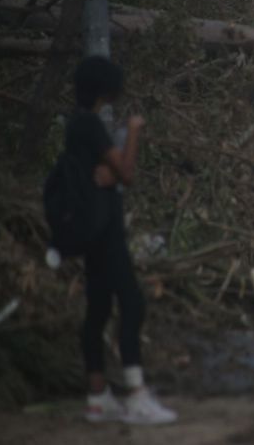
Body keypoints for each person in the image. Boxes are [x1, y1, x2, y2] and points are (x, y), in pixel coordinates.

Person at [67, 56, 177, 425]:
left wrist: (109, 175)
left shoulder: (75, 125)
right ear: (106, 89)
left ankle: (98, 397)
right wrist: (132, 131)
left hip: (90, 230)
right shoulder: (92, 127)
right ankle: (136, 395)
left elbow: (105, 174)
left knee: (97, 310)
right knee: (132, 305)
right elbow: (126, 173)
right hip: (106, 230)